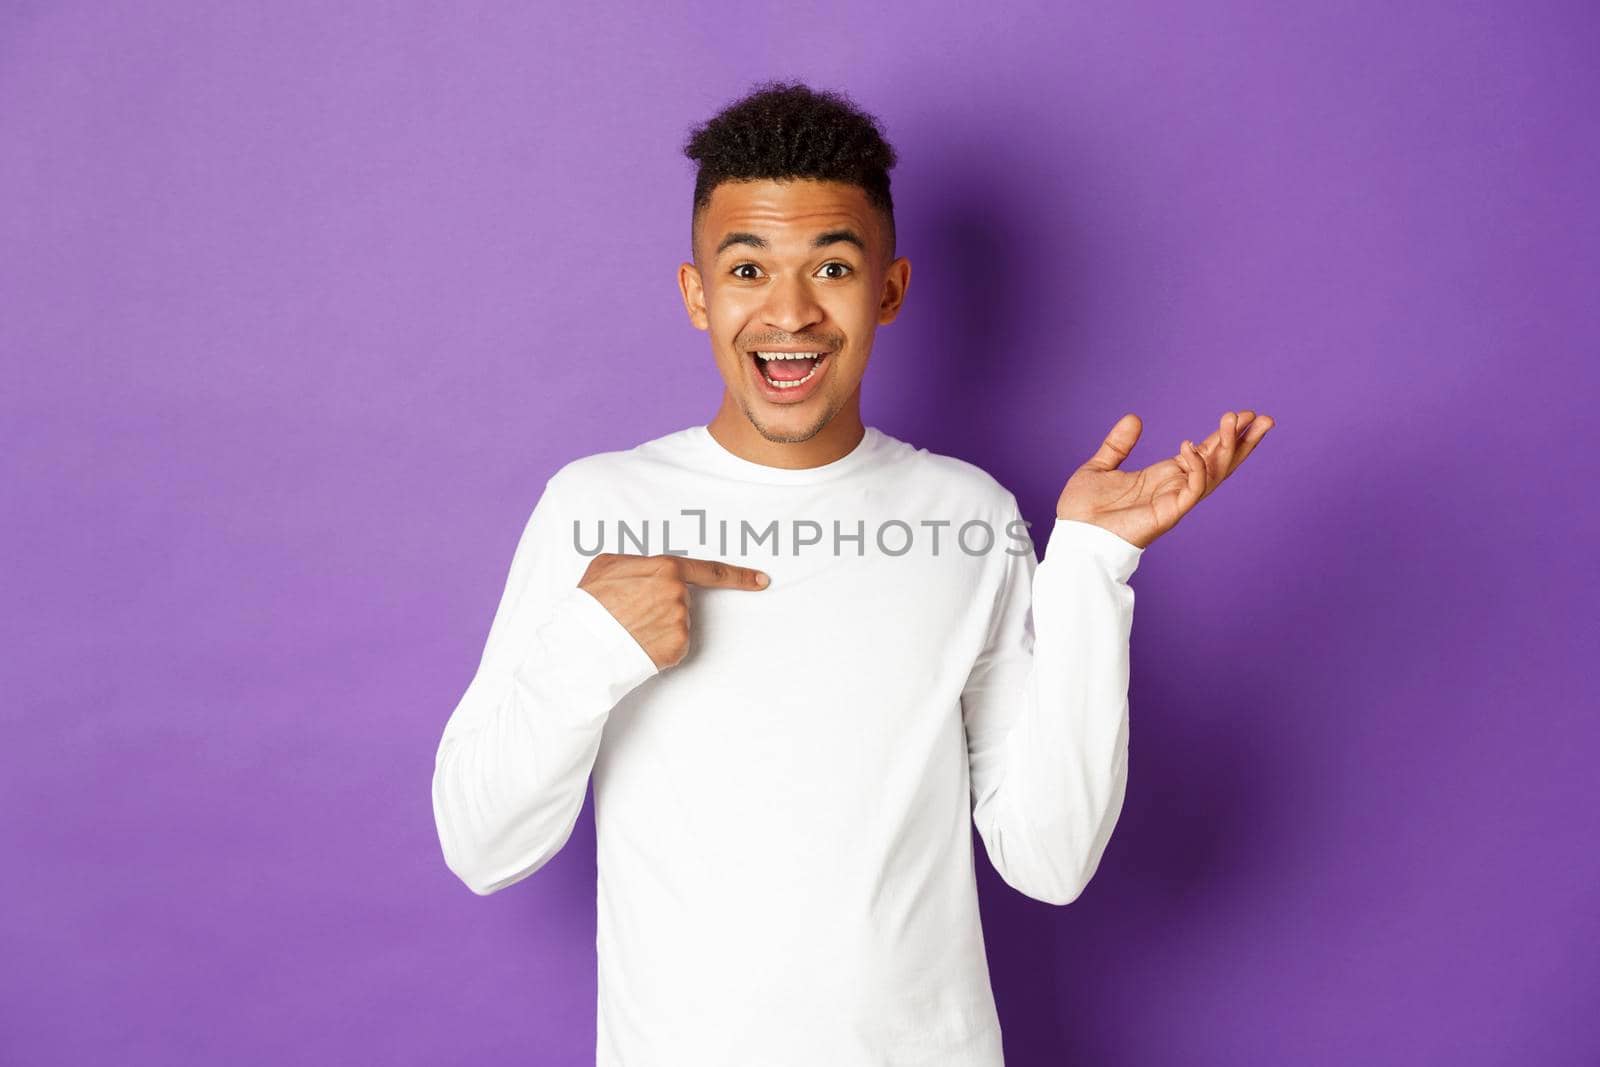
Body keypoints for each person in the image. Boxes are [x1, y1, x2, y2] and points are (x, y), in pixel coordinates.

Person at [430, 79, 1273, 1066]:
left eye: (830, 266)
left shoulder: (969, 516)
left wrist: (1092, 562)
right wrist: (591, 644)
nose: (788, 311)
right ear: (697, 293)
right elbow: (482, 844)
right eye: (747, 268)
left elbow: (1048, 858)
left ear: (888, 288)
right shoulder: (598, 506)